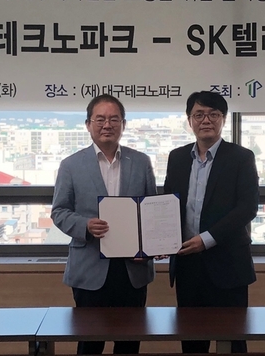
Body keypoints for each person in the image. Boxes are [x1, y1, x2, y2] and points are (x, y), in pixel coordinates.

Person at [51, 94, 157, 355]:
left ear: (123, 124)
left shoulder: (141, 162)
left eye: (113, 119)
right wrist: (85, 225)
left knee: (129, 343)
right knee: (90, 343)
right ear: (88, 124)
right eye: (100, 119)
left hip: (132, 269)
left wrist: (151, 247)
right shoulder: (71, 165)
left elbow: (152, 212)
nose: (107, 125)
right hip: (90, 269)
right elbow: (59, 211)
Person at [164, 90, 259, 353]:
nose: (206, 120)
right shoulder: (177, 157)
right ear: (189, 120)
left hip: (228, 266)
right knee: (192, 342)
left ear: (223, 119)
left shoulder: (241, 157)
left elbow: (247, 208)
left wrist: (206, 240)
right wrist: (161, 240)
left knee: (233, 340)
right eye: (199, 115)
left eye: (213, 114)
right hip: (187, 266)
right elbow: (168, 205)